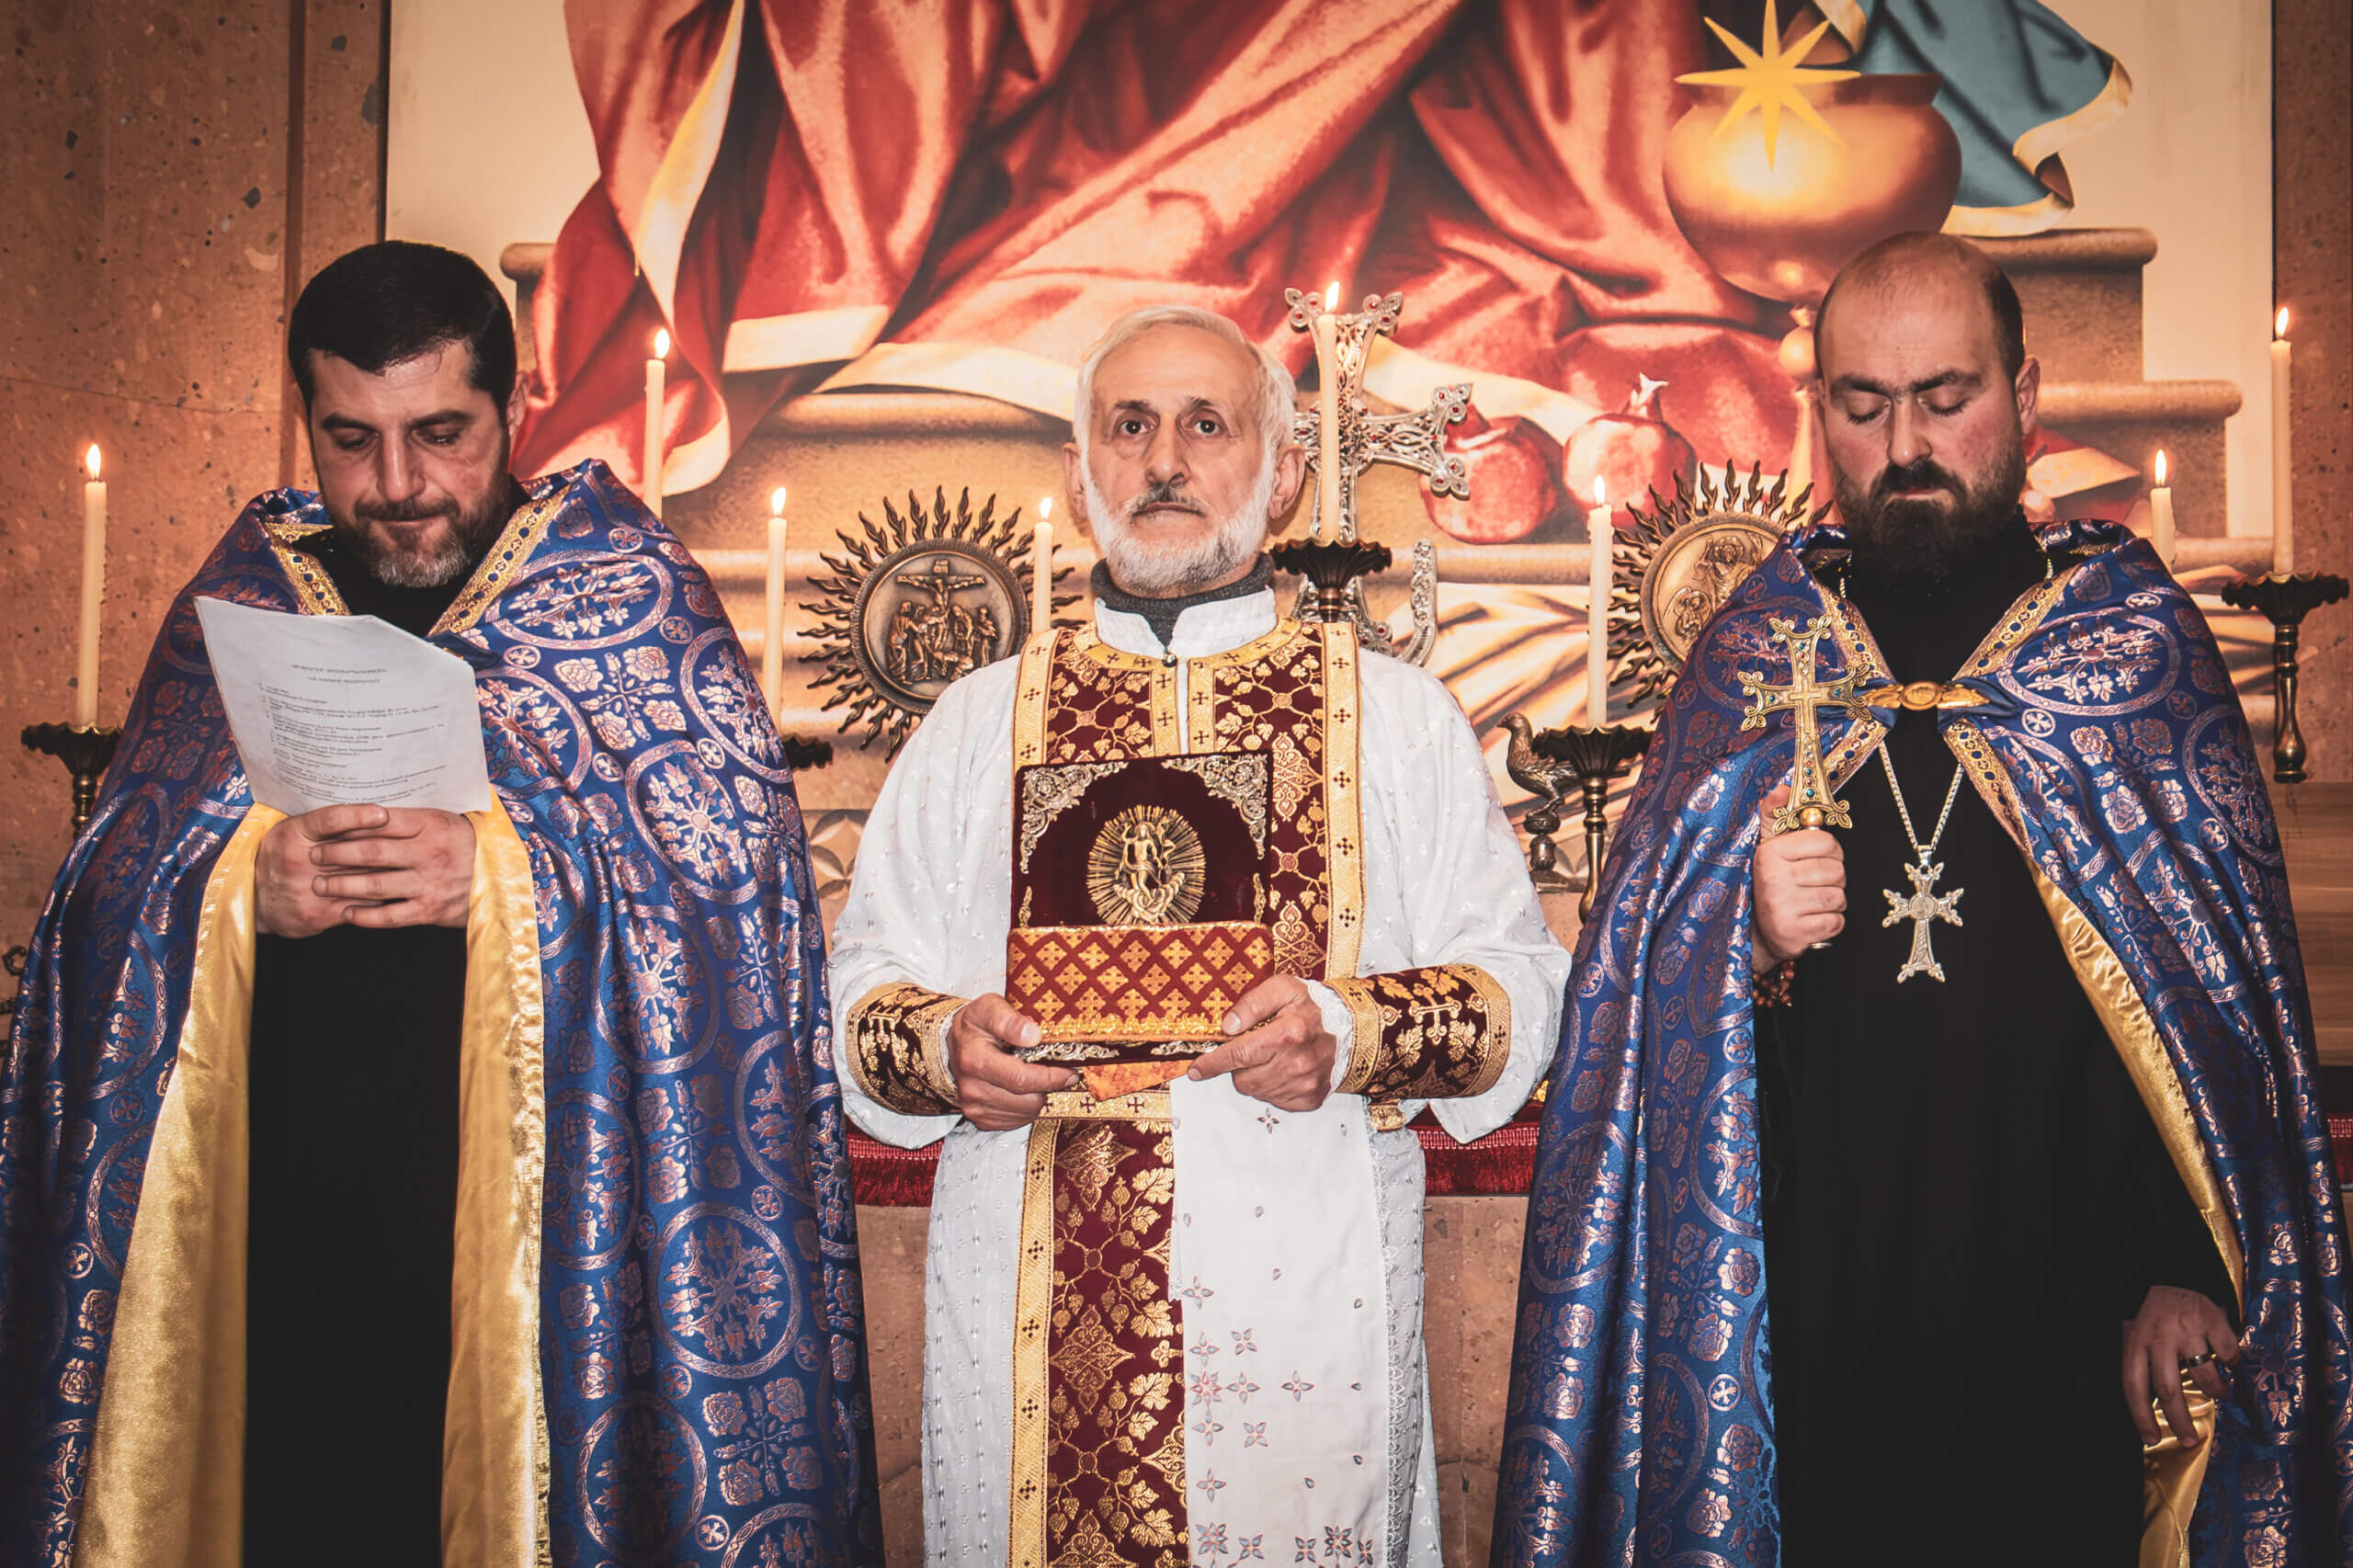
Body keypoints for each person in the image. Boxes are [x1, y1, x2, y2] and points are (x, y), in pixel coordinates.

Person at [0, 242, 880, 1567]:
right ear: (308, 420)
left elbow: (741, 899)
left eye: (441, 435)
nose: (399, 487)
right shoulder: (243, 592)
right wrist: (242, 884)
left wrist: (513, 876)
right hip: (280, 1232)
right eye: (352, 441)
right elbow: (103, 899)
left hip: (545, 1253)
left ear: (513, 408)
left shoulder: (625, 593)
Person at [1492, 233, 2350, 1565]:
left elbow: (2219, 1019)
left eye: (1946, 398)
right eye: (1863, 404)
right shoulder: (1754, 649)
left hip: (2072, 1306)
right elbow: (1627, 1017)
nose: (1905, 442)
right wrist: (1741, 927)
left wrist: (2183, 1257)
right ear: (1816, 412)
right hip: (1812, 1304)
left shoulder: (2128, 647)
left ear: (2025, 391)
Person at [831, 304, 1571, 1567]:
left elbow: (1521, 986)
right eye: (1129, 426)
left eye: (1206, 423)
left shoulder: (1393, 721)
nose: (1163, 457)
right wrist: (945, 1049)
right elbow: (852, 993)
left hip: (1307, 1300)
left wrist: (1347, 1031)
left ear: (1281, 474)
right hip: (1025, 1292)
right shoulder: (972, 726)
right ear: (1079, 475)